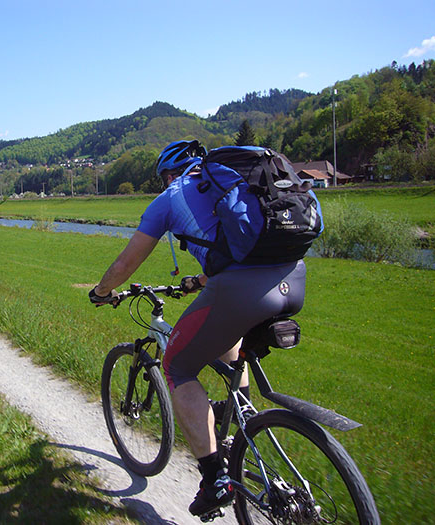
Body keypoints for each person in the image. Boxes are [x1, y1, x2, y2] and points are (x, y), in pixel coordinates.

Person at [89, 140, 308, 518]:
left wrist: (101, 291)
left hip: (242, 290)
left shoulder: (170, 197)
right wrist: (201, 279)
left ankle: (214, 479)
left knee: (178, 366)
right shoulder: (231, 185)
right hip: (293, 280)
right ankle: (236, 415)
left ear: (168, 173)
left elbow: (127, 262)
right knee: (227, 337)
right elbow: (240, 246)